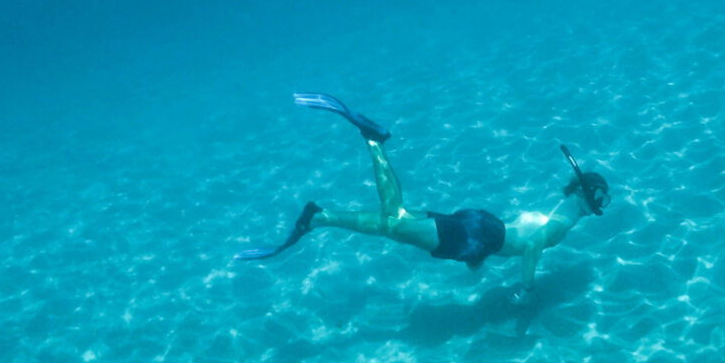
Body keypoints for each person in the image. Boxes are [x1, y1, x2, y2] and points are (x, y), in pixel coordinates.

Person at [236, 93, 610, 293]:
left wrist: (476, 259)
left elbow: (518, 235)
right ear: (589, 197)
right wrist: (527, 290)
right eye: (601, 198)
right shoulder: (564, 224)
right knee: (395, 220)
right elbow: (529, 247)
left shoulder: (561, 207)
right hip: (481, 235)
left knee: (390, 225)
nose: (601, 204)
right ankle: (373, 140)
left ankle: (320, 217)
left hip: (482, 228)